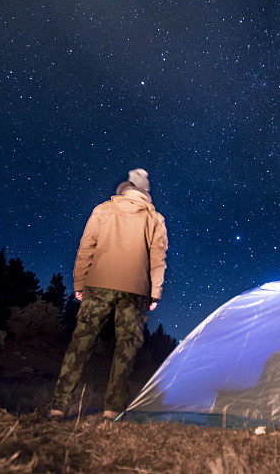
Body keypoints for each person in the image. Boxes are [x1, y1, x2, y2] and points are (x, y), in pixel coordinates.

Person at [50, 168, 168, 420]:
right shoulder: (155, 219)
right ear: (146, 192)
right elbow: (158, 259)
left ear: (124, 188)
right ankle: (111, 411)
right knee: (126, 350)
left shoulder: (102, 210)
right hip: (135, 290)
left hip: (99, 283)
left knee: (81, 343)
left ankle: (58, 407)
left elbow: (86, 248)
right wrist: (154, 293)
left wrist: (80, 283)